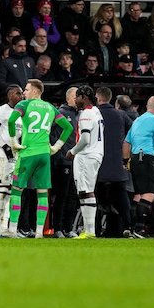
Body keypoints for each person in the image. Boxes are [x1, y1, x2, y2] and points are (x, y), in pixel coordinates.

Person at [6, 79, 73, 238]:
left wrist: (14, 142)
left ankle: (12, 230)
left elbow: (10, 121)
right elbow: (68, 127)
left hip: (27, 153)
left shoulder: (23, 105)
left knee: (16, 191)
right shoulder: (51, 107)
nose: (24, 93)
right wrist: (56, 147)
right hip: (44, 154)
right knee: (42, 193)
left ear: (35, 91)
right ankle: (38, 233)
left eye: (27, 90)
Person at [123, 96, 154, 237]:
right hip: (146, 157)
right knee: (149, 193)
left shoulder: (137, 120)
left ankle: (130, 228)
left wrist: (126, 161)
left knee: (138, 195)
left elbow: (126, 143)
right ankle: (139, 229)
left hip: (134, 159)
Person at [65, 85, 104, 239]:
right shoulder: (96, 111)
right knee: (87, 191)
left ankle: (89, 231)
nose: (75, 100)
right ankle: (89, 231)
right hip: (96, 154)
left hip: (86, 155)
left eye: (77, 96)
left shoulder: (86, 113)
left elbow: (85, 139)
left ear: (84, 97)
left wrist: (72, 151)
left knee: (85, 192)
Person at [0, 84, 24, 236]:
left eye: (21, 93)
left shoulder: (21, 113)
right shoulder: (1, 110)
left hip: (14, 157)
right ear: (9, 96)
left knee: (11, 192)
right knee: (2, 190)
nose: (21, 96)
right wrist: (5, 147)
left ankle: (4, 227)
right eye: (17, 93)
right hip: (1, 155)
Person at [95, 86, 133, 236]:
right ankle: (128, 227)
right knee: (122, 199)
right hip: (118, 165)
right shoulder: (121, 115)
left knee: (95, 199)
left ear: (98, 97)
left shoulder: (94, 114)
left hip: (98, 164)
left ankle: (96, 230)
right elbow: (133, 132)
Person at [50, 86, 79, 238]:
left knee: (73, 196)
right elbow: (49, 133)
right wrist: (58, 152)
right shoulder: (60, 113)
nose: (77, 98)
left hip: (77, 162)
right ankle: (57, 228)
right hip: (63, 161)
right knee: (62, 195)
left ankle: (69, 228)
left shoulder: (81, 114)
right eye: (75, 95)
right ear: (68, 97)